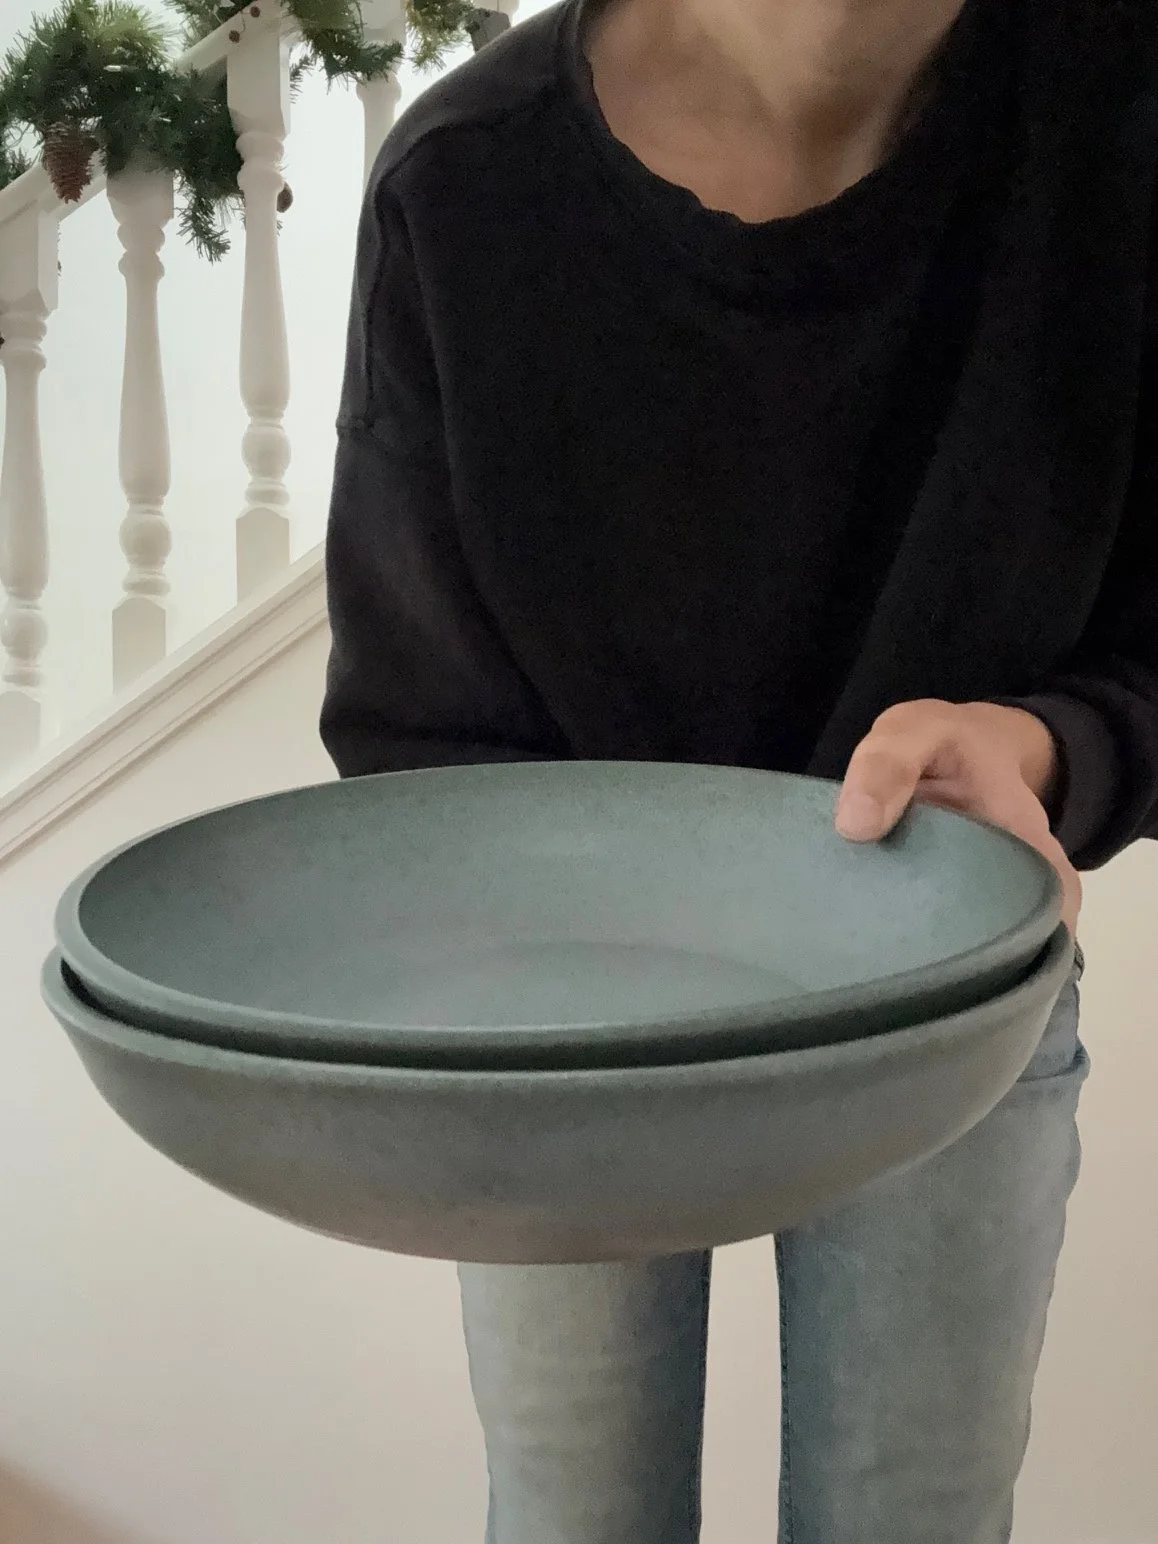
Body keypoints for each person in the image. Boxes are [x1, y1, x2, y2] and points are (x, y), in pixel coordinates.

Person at [319, 0, 1158, 1537]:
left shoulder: (1120, 119)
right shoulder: (463, 185)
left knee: (913, 1516)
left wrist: (1044, 743)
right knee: (573, 1517)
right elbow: (410, 737)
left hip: (948, 991)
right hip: (552, 1031)